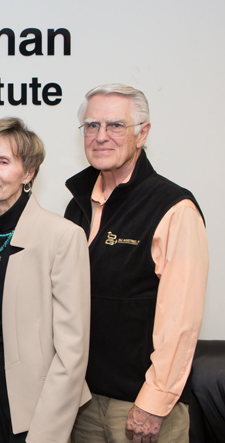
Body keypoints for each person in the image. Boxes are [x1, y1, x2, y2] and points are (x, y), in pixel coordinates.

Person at [66, 84, 209, 443]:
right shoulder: (77, 205)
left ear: (142, 133)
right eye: (91, 126)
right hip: (81, 401)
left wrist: (153, 402)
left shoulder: (173, 207)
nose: (101, 137)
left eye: (115, 125)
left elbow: (181, 321)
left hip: (140, 406)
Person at [0, 117, 91, 443]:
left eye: (3, 162)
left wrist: (49, 430)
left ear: (28, 172)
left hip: (40, 403)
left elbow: (72, 352)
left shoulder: (62, 236)